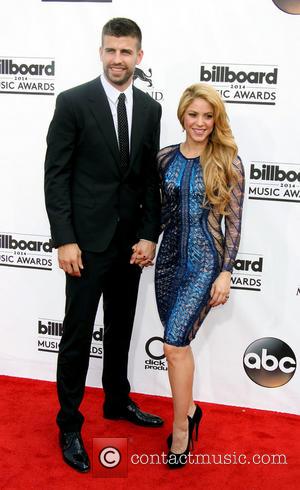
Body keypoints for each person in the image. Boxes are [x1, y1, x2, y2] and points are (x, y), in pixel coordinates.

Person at [44, 17, 163, 473]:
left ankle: (116, 401)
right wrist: (65, 239)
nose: (118, 59)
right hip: (86, 244)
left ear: (139, 56)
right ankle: (70, 424)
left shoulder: (150, 110)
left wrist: (149, 233)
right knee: (76, 335)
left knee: (121, 329)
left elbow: (149, 180)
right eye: (111, 51)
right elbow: (56, 176)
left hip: (130, 244)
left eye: (126, 52)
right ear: (101, 52)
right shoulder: (73, 102)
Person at [154, 83, 245, 469]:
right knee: (179, 346)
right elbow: (159, 214)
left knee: (173, 345)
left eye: (208, 116)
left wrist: (225, 273)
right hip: (168, 262)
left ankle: (180, 431)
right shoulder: (164, 159)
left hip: (205, 263)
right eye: (194, 115)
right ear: (182, 116)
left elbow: (235, 224)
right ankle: (189, 409)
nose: (201, 123)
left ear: (216, 120)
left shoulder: (228, 161)